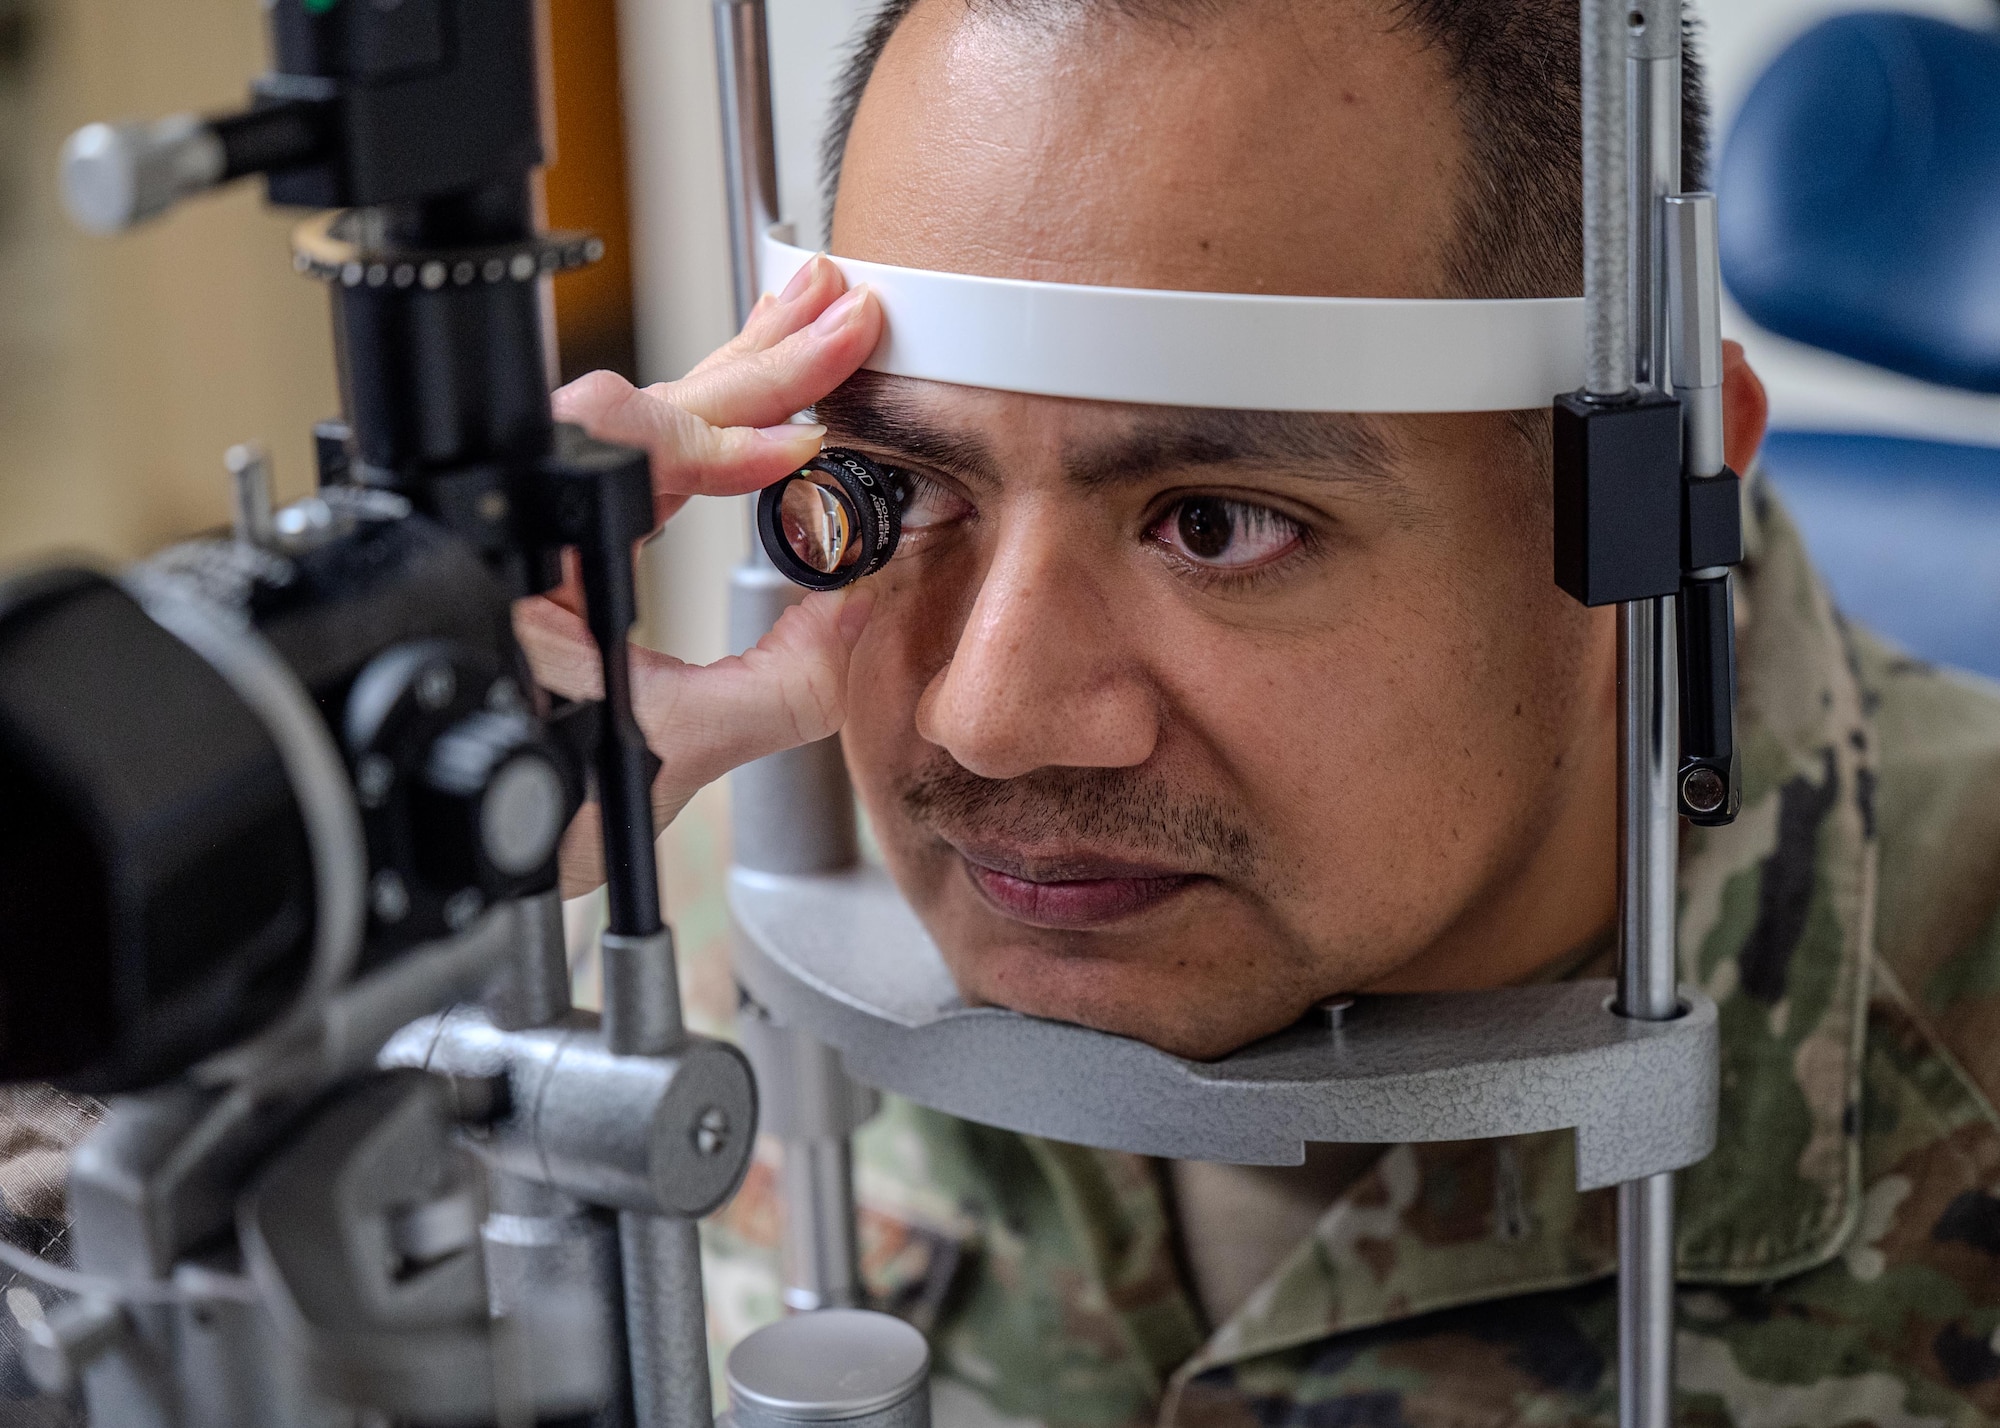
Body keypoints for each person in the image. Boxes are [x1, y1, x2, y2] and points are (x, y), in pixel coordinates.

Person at [362, 0, 2000, 1422]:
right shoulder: (682, 866)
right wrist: (382, 840)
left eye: (1215, 523)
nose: (989, 721)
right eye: (897, 487)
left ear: (1662, 494)